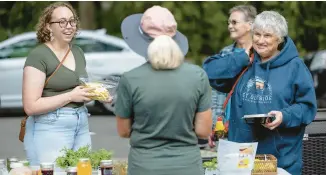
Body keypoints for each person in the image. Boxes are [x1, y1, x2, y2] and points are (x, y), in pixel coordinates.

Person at [203, 11, 317, 174]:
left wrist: (283, 116)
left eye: (267, 36)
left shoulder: (295, 67)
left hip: (279, 162)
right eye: (257, 34)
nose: (260, 40)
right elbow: (208, 72)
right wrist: (242, 56)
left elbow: (307, 108)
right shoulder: (245, 62)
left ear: (279, 39)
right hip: (240, 159)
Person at [115, 5, 212, 175]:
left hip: (144, 166)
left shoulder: (130, 79)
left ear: (141, 40)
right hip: (187, 166)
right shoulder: (198, 76)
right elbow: (203, 132)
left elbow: (123, 131)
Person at [23, 2, 110, 166]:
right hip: (52, 125)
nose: (69, 26)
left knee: (82, 170)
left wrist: (97, 94)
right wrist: (71, 96)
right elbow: (31, 106)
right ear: (49, 26)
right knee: (56, 171)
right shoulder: (38, 56)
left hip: (81, 122)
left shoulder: (77, 51)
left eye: (72, 21)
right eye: (62, 22)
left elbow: (79, 88)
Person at [207, 5, 257, 147]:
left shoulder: (262, 53)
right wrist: (215, 128)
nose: (230, 26)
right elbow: (217, 95)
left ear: (250, 25)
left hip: (254, 129)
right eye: (228, 23)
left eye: (234, 22)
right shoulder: (226, 53)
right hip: (227, 131)